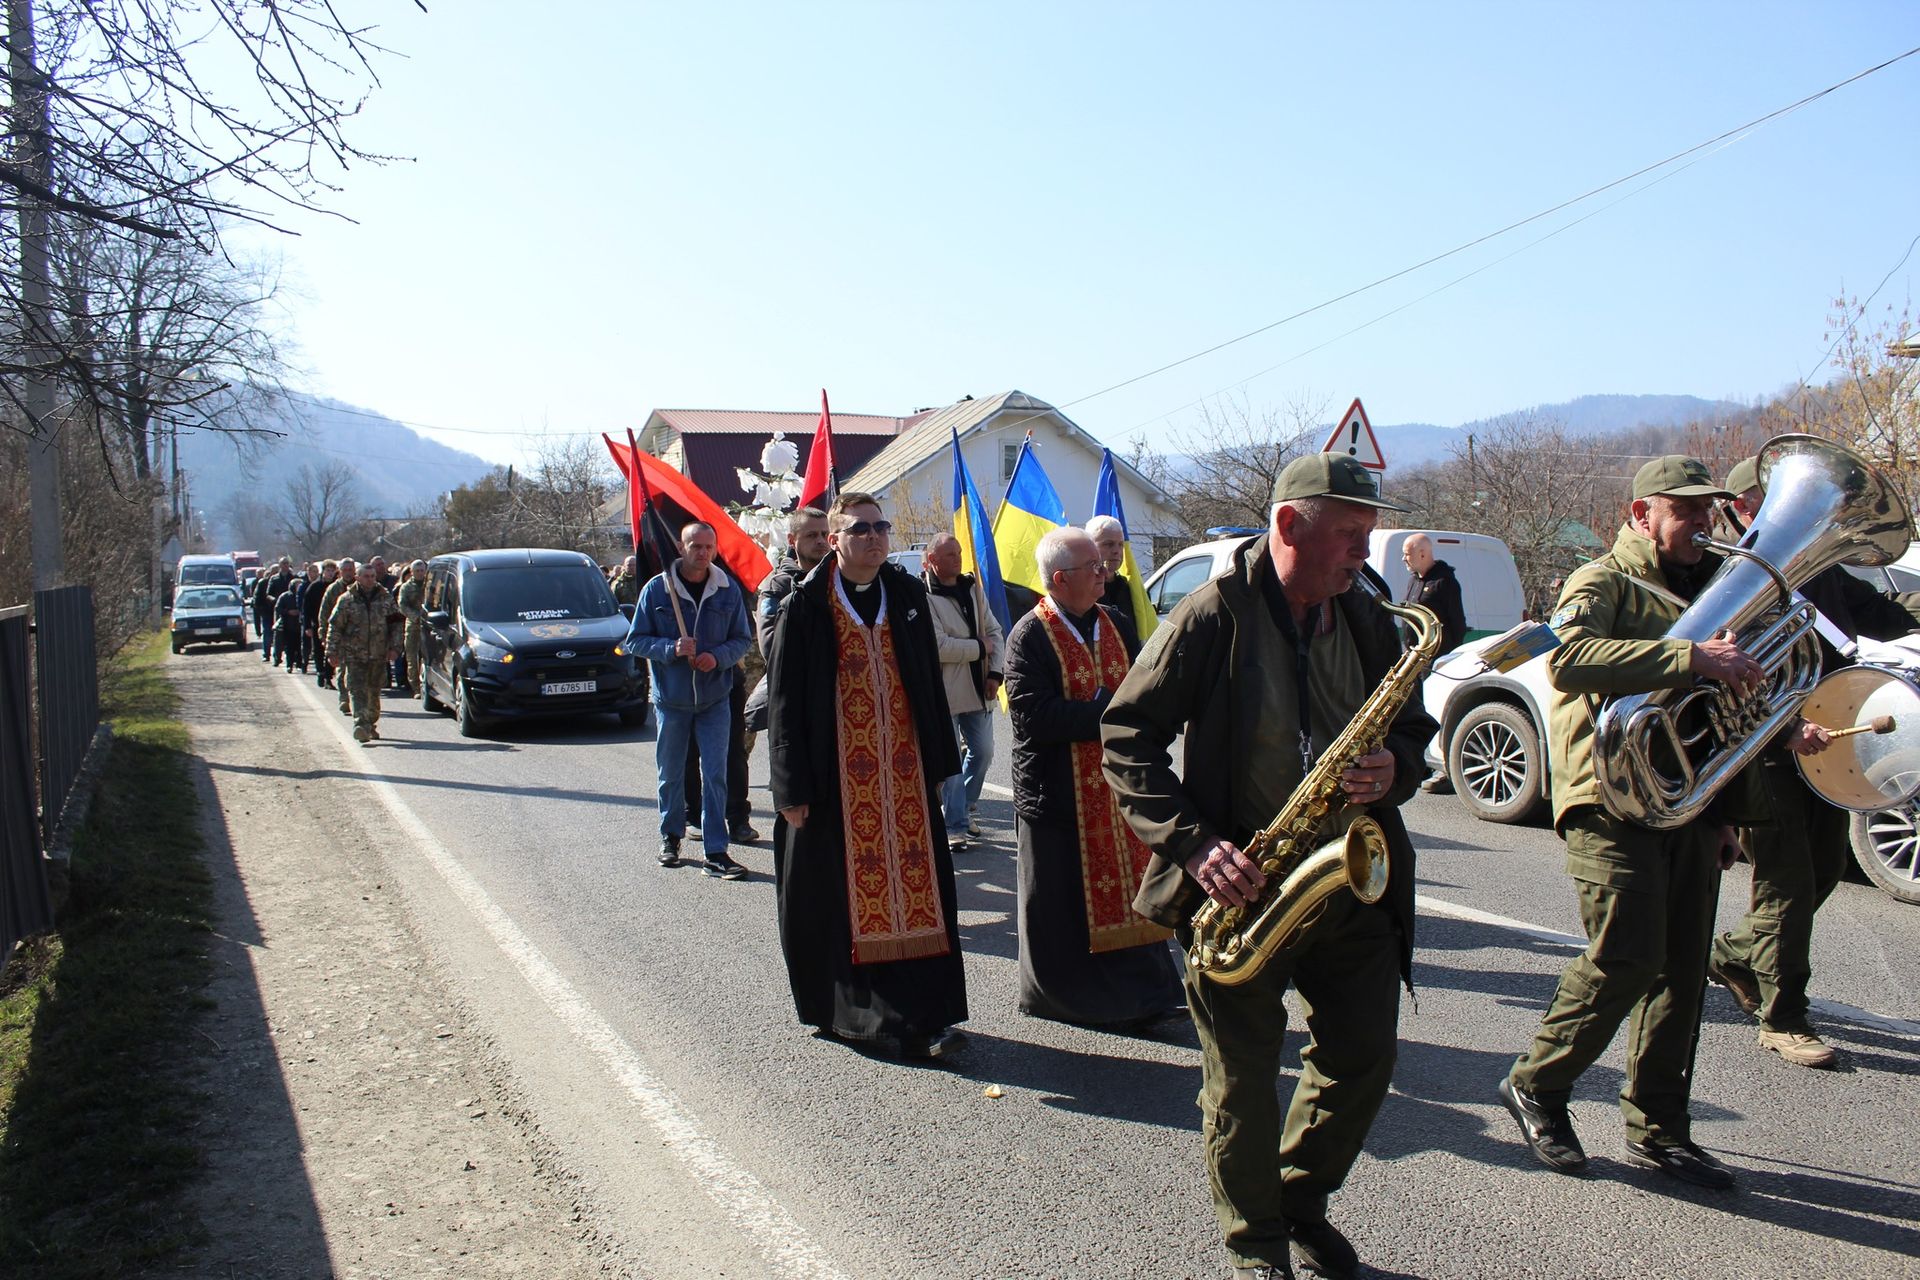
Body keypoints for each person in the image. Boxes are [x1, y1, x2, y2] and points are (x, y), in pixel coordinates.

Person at [1102, 454, 1435, 1280]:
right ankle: (1255, 1245)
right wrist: (1193, 844)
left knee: (1363, 1058)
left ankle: (1298, 1203)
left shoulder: (1366, 617)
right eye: (1350, 534)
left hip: (1349, 882)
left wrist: (1396, 766)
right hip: (1244, 883)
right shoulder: (1213, 613)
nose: (1365, 552)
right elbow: (1127, 737)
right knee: (1243, 1083)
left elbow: (1412, 731)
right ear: (1290, 525)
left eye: (1369, 535)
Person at [1498, 455, 1799, 1193]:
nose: (1702, 522)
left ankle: (1660, 1127)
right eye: (1684, 509)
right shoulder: (1602, 580)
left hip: (1689, 801)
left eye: (1708, 509)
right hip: (1608, 794)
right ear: (1642, 515)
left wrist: (1725, 812)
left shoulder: (1720, 588)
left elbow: (1722, 717)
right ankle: (1537, 1084)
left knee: (1683, 971)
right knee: (1627, 956)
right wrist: (1688, 656)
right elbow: (1569, 660)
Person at [1706, 454, 1920, 1069]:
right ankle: (1784, 1018)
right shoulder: (1730, 577)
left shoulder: (1822, 572)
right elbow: (1724, 678)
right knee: (1788, 882)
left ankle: (1734, 955)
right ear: (1745, 509)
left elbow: (1886, 616)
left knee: (1825, 867)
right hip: (1766, 746)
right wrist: (1787, 726)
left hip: (1827, 739)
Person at [766, 492, 967, 1059]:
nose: (874, 536)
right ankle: (860, 1012)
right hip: (837, 780)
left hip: (903, 777)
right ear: (835, 540)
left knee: (918, 890)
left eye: (881, 527)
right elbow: (784, 701)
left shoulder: (905, 595)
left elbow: (928, 683)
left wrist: (940, 764)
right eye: (860, 529)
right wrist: (790, 787)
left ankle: (925, 1013)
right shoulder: (805, 606)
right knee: (844, 898)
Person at [1007, 526, 1180, 1028]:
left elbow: (1142, 690)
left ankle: (1144, 995)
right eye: (1093, 567)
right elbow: (1034, 718)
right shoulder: (1029, 635)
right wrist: (1107, 713)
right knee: (1064, 903)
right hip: (1057, 791)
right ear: (1060, 579)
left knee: (1129, 889)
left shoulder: (1115, 621)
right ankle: (1066, 999)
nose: (1105, 572)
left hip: (1114, 786)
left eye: (1102, 564)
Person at [625, 521, 753, 879]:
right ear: (681, 548)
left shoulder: (726, 589)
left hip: (714, 699)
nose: (702, 553)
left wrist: (717, 657)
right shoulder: (658, 590)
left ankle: (716, 851)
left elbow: (742, 639)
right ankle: (670, 836)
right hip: (672, 701)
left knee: (715, 775)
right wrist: (671, 648)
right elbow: (635, 640)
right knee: (670, 773)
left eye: (708, 547)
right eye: (695, 546)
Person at [922, 531, 1004, 850]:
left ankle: (965, 806)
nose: (957, 559)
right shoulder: (923, 596)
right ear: (932, 560)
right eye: (949, 554)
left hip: (979, 688)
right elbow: (938, 646)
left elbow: (995, 633)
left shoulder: (973, 589)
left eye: (958, 552)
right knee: (951, 762)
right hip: (945, 693)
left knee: (983, 752)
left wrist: (995, 672)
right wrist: (978, 648)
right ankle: (954, 826)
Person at [744, 507, 828, 735]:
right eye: (812, 535)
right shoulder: (778, 587)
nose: (821, 541)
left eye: (824, 534)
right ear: (792, 540)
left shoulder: (839, 581)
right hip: (795, 702)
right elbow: (771, 647)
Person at [327, 562, 400, 745]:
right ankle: (360, 724)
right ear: (357, 578)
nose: (370, 580)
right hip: (354, 654)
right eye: (366, 576)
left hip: (378, 653)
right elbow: (335, 626)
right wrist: (332, 651)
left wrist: (395, 648)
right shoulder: (346, 600)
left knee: (374, 691)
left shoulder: (385, 599)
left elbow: (396, 624)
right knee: (356, 689)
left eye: (372, 576)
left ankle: (370, 723)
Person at [1085, 513, 1143, 658]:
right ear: (1090, 547)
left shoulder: (1132, 590)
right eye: (1108, 544)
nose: (1117, 551)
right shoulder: (1082, 590)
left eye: (1120, 544)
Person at [1400, 533, 1467, 654]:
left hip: (1434, 658)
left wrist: (1443, 657)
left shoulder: (1445, 582)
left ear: (1422, 554)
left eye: (1407, 554)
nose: (1403, 558)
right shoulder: (1413, 580)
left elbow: (1458, 625)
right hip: (1413, 656)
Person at [319, 558, 358, 714]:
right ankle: (343, 698)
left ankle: (358, 700)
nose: (348, 573)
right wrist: (324, 634)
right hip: (340, 635)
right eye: (345, 570)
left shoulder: (361, 587)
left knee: (358, 671)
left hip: (359, 636)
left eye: (351, 570)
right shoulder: (333, 589)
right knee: (342, 669)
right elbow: (324, 613)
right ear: (340, 572)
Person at [396, 559, 430, 699]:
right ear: (412, 572)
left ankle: (430, 686)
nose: (420, 573)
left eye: (422, 570)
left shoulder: (431, 585)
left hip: (430, 624)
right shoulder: (406, 587)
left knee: (430, 656)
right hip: (413, 625)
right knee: (412, 657)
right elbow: (402, 605)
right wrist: (416, 617)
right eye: (417, 571)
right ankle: (416, 687)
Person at [305, 560, 339, 687]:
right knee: (319, 649)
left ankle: (328, 677)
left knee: (331, 649)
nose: (330, 573)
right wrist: (307, 626)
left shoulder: (336, 586)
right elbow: (306, 607)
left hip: (334, 623)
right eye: (328, 570)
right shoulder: (314, 586)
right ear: (323, 571)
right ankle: (320, 672)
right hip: (317, 623)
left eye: (332, 571)